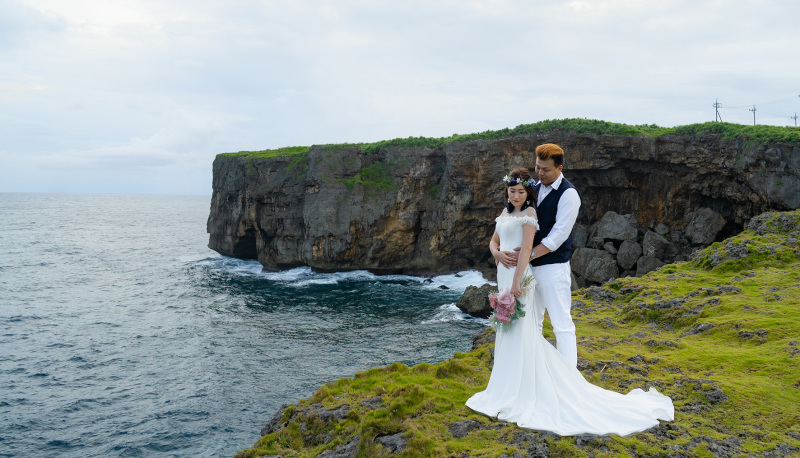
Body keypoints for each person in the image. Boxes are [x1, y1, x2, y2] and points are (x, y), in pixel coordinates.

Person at [465, 166, 673, 436]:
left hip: (518, 276)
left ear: (527, 193)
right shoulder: (505, 213)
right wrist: (498, 254)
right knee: (506, 329)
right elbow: (493, 242)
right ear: (506, 190)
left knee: (521, 327)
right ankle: (504, 386)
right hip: (503, 272)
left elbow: (527, 248)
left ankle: (529, 386)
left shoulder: (530, 214)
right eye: (511, 190)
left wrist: (517, 281)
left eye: (520, 191)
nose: (515, 195)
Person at [497, 143, 580, 367]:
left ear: (560, 168)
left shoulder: (569, 194)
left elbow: (558, 236)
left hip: (553, 267)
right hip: (529, 271)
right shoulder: (532, 187)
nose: (539, 173)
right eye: (537, 167)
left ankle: (569, 377)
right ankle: (539, 374)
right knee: (532, 323)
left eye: (545, 169)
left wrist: (528, 254)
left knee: (561, 324)